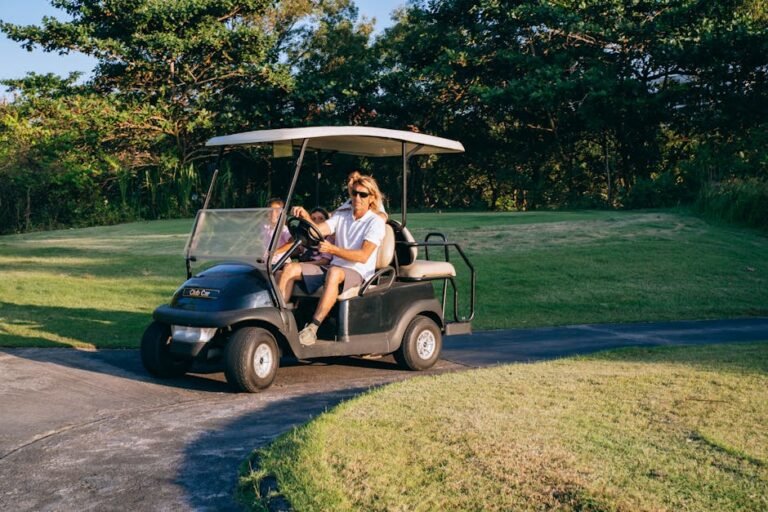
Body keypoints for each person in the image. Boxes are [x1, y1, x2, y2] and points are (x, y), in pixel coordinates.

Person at [278, 175, 386, 346]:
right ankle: (279, 321)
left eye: (363, 195)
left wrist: (333, 250)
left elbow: (363, 256)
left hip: (358, 271)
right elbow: (317, 230)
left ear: (372, 198)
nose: (357, 198)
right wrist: (305, 219)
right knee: (290, 268)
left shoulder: (375, 222)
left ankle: (313, 328)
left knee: (334, 272)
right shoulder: (342, 217)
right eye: (355, 193)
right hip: (334, 266)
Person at [262, 198, 293, 263]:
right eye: (270, 210)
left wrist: (275, 252)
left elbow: (292, 242)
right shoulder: (263, 227)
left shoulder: (283, 228)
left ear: (282, 213)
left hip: (279, 263)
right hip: (264, 262)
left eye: (277, 211)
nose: (273, 213)